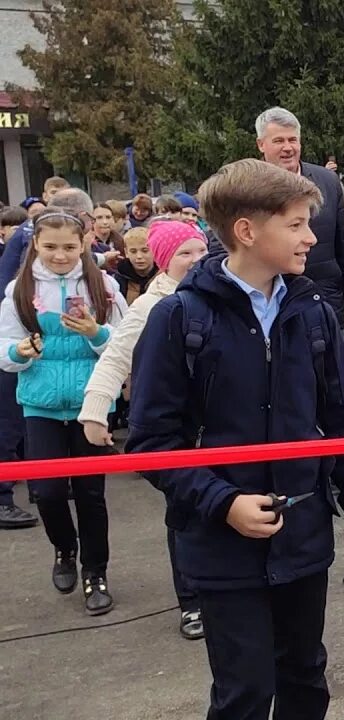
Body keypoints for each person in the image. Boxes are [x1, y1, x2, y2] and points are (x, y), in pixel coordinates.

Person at [126, 159, 344, 720]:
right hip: (222, 550)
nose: (311, 238)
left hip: (302, 539)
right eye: (295, 224)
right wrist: (223, 503)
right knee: (244, 693)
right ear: (247, 230)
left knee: (305, 681)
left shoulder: (314, 313)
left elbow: (341, 426)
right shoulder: (178, 320)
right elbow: (149, 444)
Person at [81, 220, 209, 636]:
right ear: (163, 260)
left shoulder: (218, 295)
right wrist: (95, 410)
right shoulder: (152, 306)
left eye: (200, 251)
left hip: (215, 422)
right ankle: (191, 603)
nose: (194, 261)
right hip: (171, 424)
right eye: (183, 254)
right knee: (184, 512)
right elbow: (116, 357)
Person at [0, 210, 128, 614]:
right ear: (35, 244)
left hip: (91, 403)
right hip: (41, 404)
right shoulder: (19, 290)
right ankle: (64, 549)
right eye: (50, 246)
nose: (60, 255)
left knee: (91, 494)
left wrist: (96, 333)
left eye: (69, 247)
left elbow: (122, 344)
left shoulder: (102, 285)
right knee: (48, 491)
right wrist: (19, 352)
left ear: (85, 243)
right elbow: (4, 348)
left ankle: (96, 571)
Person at [254, 107, 344, 327]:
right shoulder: (247, 187)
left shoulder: (327, 181)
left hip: (325, 299)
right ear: (261, 144)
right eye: (278, 141)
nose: (288, 148)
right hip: (270, 302)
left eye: (293, 140)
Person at [113, 227, 159, 305]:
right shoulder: (119, 278)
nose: (139, 256)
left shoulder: (162, 276)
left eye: (145, 250)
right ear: (126, 252)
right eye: (133, 251)